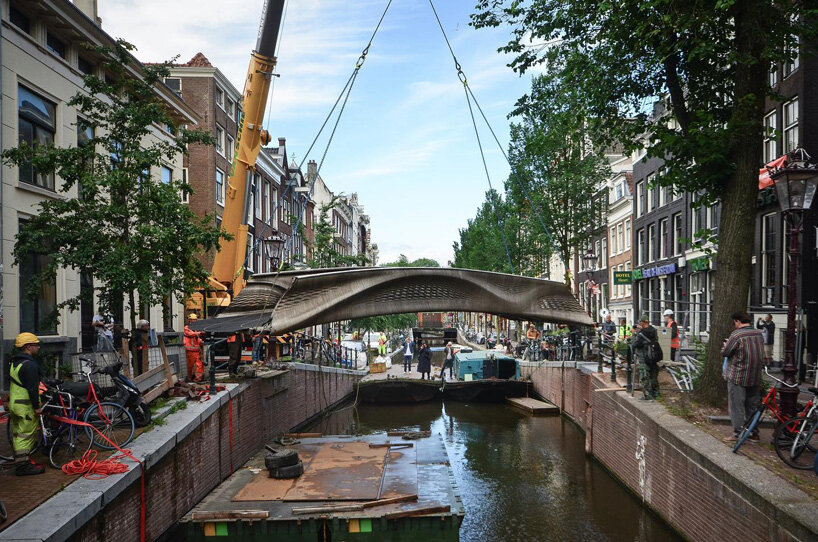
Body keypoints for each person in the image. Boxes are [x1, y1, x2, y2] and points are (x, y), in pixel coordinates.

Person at [721, 311, 765, 443]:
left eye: (734, 323)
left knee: (737, 406)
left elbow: (726, 352)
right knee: (753, 406)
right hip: (755, 376)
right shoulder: (758, 333)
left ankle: (737, 434)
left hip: (738, 376)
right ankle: (754, 432)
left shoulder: (737, 334)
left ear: (737, 321)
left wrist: (725, 345)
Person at [8, 333, 46, 476]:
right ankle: (23, 466)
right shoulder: (29, 365)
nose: (38, 347)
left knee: (18, 434)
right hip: (25, 406)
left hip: (14, 405)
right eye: (36, 345)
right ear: (28, 347)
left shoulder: (14, 363)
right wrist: (37, 406)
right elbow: (32, 388)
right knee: (26, 435)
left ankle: (21, 461)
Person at [632, 315, 660, 400]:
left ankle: (648, 396)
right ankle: (657, 395)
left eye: (640, 322)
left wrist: (634, 334)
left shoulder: (641, 334)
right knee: (653, 376)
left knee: (644, 377)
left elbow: (635, 345)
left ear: (643, 322)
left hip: (644, 358)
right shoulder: (654, 330)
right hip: (653, 357)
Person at [183, 313, 205, 382]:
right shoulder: (187, 328)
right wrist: (200, 333)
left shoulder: (195, 329)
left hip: (196, 350)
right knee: (190, 366)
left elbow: (196, 338)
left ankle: (198, 379)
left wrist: (200, 341)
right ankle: (189, 378)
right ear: (190, 320)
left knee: (199, 365)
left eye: (195, 320)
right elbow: (190, 334)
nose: (194, 321)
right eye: (193, 320)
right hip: (190, 350)